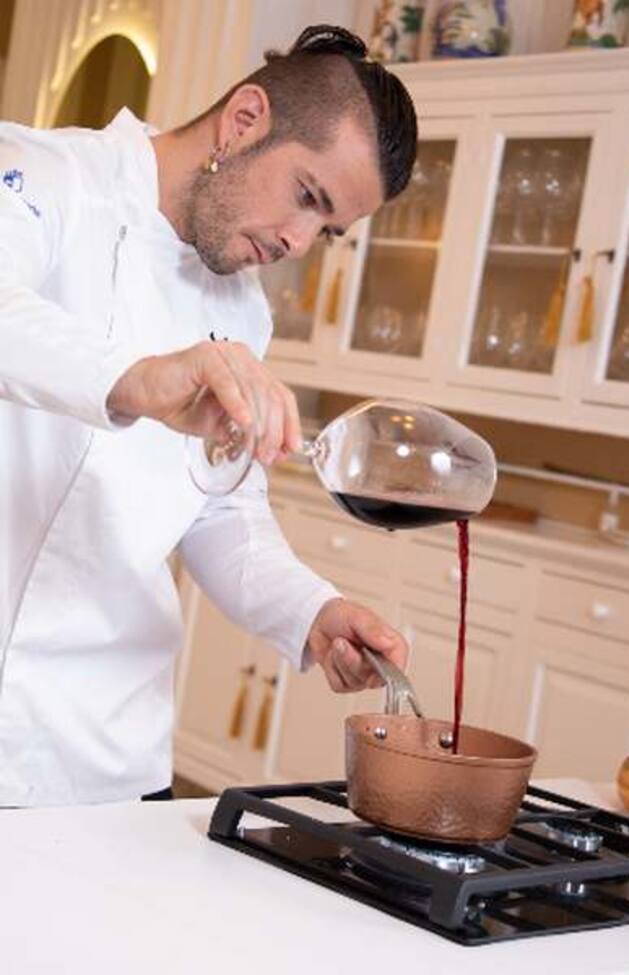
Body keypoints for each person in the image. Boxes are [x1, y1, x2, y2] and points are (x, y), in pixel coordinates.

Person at [0, 25, 418, 806]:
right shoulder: (44, 174)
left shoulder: (243, 316)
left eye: (327, 231)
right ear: (245, 119)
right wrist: (140, 378)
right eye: (308, 196)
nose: (299, 242)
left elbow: (222, 509)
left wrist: (313, 610)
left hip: (109, 756)